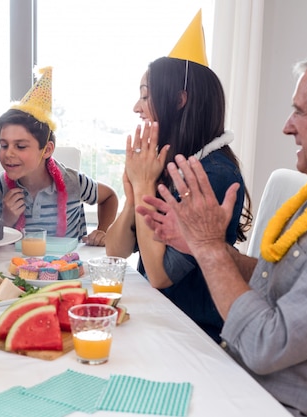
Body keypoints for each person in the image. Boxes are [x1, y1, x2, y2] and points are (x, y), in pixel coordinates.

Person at [137, 55, 307, 416]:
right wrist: (199, 243)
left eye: (300, 112)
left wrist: (209, 248)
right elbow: (278, 281)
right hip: (232, 373)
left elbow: (265, 345)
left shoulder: (214, 171)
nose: (287, 127)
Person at [104, 13, 252, 342]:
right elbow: (115, 252)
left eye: (145, 95)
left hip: (194, 335)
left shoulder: (211, 175)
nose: (136, 107)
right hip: (157, 319)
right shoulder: (166, 164)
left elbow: (159, 275)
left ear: (179, 100)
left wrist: (143, 187)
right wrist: (133, 194)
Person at [0, 67, 117, 246]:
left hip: (66, 269)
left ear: (46, 150)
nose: (9, 153)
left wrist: (102, 231)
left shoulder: (73, 181)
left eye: (21, 146)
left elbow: (109, 197)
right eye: (4, 145)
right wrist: (6, 221)